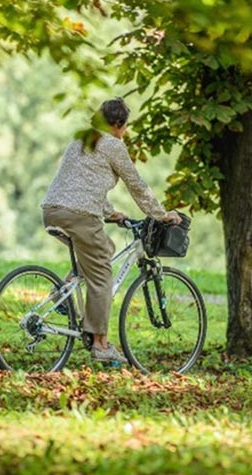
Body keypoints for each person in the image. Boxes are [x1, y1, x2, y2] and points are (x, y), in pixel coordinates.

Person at [41, 98, 182, 364]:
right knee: (102, 273)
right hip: (80, 215)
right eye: (125, 126)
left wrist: (109, 212)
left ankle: (64, 293)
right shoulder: (113, 145)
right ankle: (101, 344)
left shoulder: (83, 139)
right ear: (117, 124)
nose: (125, 131)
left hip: (52, 210)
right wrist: (161, 215)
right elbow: (136, 185)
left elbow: (81, 183)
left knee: (104, 249)